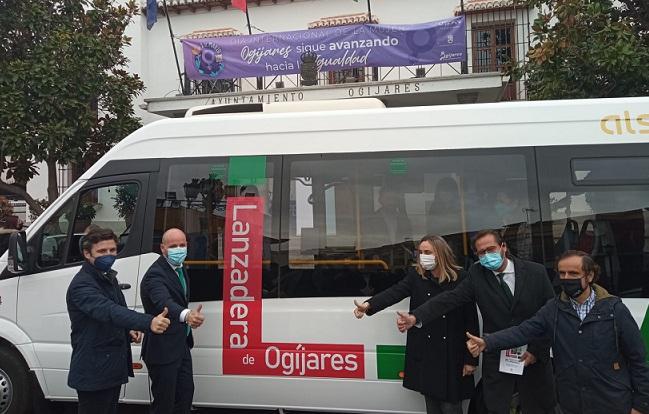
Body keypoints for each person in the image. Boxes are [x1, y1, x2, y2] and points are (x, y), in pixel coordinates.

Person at [466, 250, 649, 414]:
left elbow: (638, 359)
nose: (567, 278)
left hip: (612, 401)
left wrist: (641, 405)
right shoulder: (553, 309)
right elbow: (523, 331)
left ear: (590, 275)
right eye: (562, 273)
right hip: (572, 404)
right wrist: (487, 342)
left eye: (574, 273)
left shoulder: (614, 309)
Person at [396, 229, 557, 414]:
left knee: (539, 408)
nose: (487, 255)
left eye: (491, 249)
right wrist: (416, 316)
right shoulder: (477, 273)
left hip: (533, 358)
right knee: (497, 408)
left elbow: (551, 314)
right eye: (482, 252)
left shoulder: (535, 272)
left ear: (503, 247)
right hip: (497, 359)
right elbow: (450, 299)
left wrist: (535, 351)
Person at [354, 235, 479, 414]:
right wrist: (369, 305)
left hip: (453, 353)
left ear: (440, 253)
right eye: (420, 252)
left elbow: (471, 321)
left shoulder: (462, 278)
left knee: (451, 406)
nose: (422, 256)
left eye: (427, 252)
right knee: (431, 404)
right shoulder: (417, 276)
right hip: (427, 350)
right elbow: (394, 292)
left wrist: (471, 359)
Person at [66, 227, 170, 414]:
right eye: (102, 251)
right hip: (94, 371)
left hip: (111, 367)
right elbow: (108, 311)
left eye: (112, 250)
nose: (109, 255)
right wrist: (148, 322)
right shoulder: (82, 285)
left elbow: (118, 311)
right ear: (87, 253)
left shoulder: (107, 278)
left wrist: (129, 329)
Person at [140, 228, 205, 414]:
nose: (179, 249)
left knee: (185, 396)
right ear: (163, 248)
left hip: (180, 345)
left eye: (182, 245)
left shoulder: (180, 268)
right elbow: (164, 302)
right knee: (165, 404)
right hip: (162, 349)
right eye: (173, 246)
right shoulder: (155, 275)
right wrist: (187, 315)